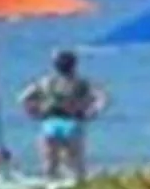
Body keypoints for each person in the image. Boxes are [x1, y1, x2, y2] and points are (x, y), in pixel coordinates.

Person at [20, 49, 107, 181]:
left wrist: (33, 112)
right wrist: (92, 112)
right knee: (76, 165)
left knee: (50, 165)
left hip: (50, 123)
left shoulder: (46, 82)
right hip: (72, 122)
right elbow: (102, 97)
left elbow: (24, 98)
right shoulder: (80, 83)